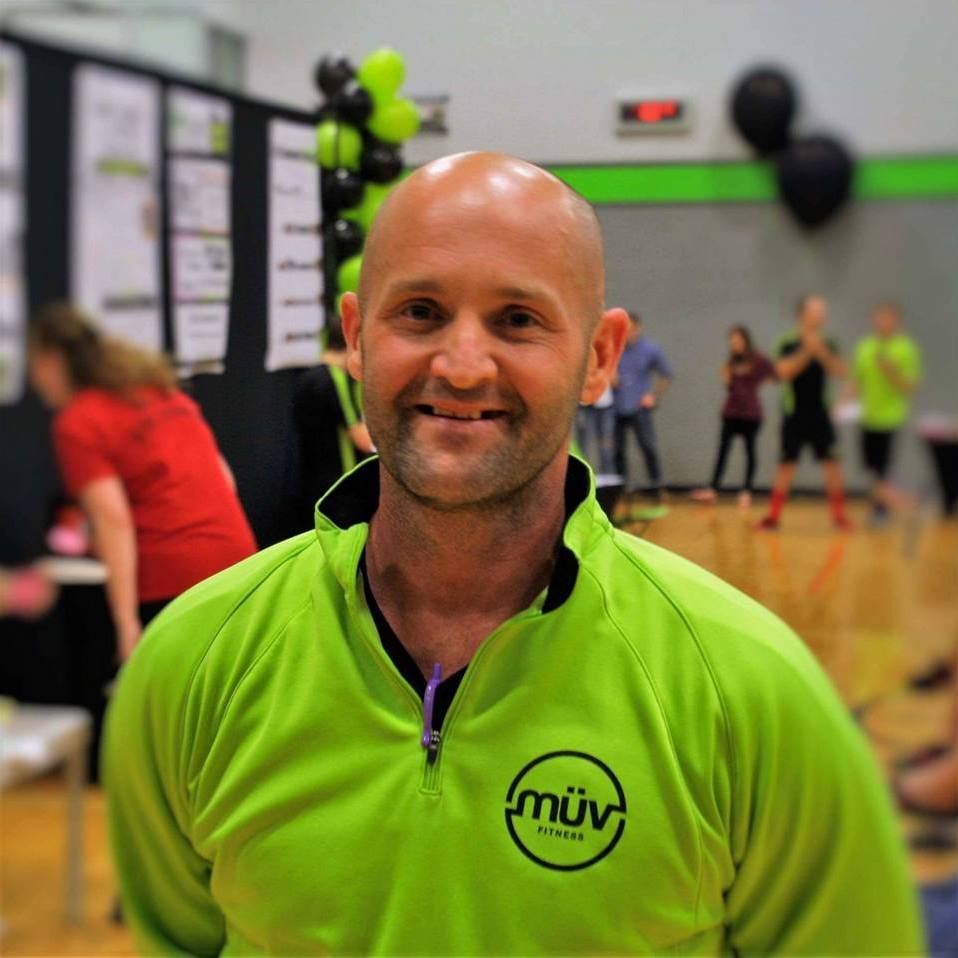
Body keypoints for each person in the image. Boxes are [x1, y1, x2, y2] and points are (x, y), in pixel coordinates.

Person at [104, 153, 922, 956]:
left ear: (600, 357)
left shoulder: (752, 691)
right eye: (420, 312)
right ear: (356, 337)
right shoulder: (194, 662)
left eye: (518, 320)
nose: (462, 367)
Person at [27, 303, 257, 660]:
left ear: (52, 360)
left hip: (173, 583)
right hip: (242, 565)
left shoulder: (79, 421)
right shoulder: (166, 395)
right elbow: (225, 479)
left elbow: (112, 521)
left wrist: (125, 624)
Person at [757, 295, 852, 530]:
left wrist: (821, 351)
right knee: (786, 465)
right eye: (816, 310)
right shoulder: (787, 342)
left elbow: (840, 371)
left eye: (822, 311)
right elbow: (781, 372)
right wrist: (807, 351)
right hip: (794, 414)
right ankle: (773, 517)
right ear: (802, 315)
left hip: (820, 414)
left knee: (832, 464)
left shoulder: (828, 343)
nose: (821, 315)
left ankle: (840, 517)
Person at [850, 302, 922, 525]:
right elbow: (856, 379)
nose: (883, 323)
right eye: (880, 318)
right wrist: (843, 403)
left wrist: (892, 371)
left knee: (883, 467)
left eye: (888, 319)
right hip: (867, 415)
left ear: (897, 321)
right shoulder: (865, 346)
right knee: (870, 466)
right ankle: (894, 502)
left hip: (891, 417)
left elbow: (910, 386)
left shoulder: (905, 348)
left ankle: (881, 508)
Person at [293, 326, 374, 525]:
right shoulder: (336, 379)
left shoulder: (305, 378)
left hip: (310, 483)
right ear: (353, 343)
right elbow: (362, 440)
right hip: (339, 485)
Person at [691, 325, 775, 508]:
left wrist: (759, 381)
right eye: (732, 341)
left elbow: (773, 373)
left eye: (737, 340)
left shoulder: (757, 359)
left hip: (751, 414)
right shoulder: (731, 361)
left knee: (750, 451)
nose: (734, 344)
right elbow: (731, 387)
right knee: (723, 451)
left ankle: (747, 491)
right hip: (731, 412)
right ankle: (713, 489)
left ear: (745, 341)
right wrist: (726, 378)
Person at [613, 312, 673, 501]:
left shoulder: (649, 349)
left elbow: (666, 374)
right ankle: (621, 490)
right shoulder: (614, 348)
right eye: (625, 329)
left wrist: (654, 396)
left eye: (631, 329)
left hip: (639, 408)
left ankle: (657, 486)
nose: (628, 333)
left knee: (648, 447)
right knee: (618, 451)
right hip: (617, 406)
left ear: (639, 329)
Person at [575, 384, 616, 478]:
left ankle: (608, 478)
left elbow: (615, 381)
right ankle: (582, 478)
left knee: (606, 445)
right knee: (584, 445)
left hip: (605, 404)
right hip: (584, 404)